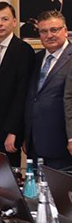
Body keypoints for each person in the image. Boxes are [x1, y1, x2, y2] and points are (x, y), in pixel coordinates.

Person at [0, 2, 35, 168]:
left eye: (5, 19)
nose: (0, 24)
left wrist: (14, 131)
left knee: (8, 176)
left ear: (14, 22)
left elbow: (23, 93)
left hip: (9, 131)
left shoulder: (24, 50)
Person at [27, 10, 72, 169]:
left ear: (65, 30)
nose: (49, 35)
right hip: (35, 145)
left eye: (54, 30)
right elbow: (33, 98)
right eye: (44, 31)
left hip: (63, 146)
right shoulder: (36, 58)